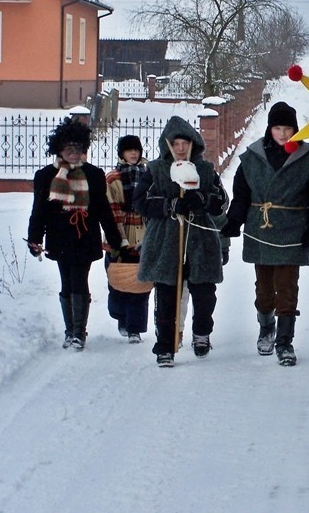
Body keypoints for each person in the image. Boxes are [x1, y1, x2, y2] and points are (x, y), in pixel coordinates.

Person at [220, 101, 309, 366]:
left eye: (288, 127)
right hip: (261, 229)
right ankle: (266, 327)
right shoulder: (253, 157)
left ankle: (285, 342)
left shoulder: (308, 158)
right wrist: (234, 221)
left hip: (293, 229)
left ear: (295, 129)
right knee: (264, 290)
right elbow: (241, 195)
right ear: (270, 128)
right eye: (278, 127)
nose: (283, 133)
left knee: (287, 288)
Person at [133, 116, 228, 367]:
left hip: (200, 239)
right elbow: (139, 201)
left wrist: (204, 200)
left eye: (184, 143)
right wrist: (168, 204)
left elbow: (221, 202)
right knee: (166, 295)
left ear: (192, 143)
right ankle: (165, 346)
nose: (180, 148)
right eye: (175, 144)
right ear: (168, 145)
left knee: (205, 293)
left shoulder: (206, 169)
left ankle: (201, 333)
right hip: (166, 239)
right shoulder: (155, 170)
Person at [26, 120, 122, 350]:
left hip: (85, 234)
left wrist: (114, 238)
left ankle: (79, 332)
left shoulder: (93, 174)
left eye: (77, 148)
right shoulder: (46, 175)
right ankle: (70, 330)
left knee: (79, 278)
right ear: (58, 149)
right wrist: (34, 238)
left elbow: (102, 209)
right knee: (66, 281)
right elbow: (39, 209)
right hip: (59, 236)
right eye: (68, 148)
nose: (73, 153)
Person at [105, 135, 150, 344]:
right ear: (121, 153)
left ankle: (135, 328)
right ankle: (121, 317)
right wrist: (119, 240)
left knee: (141, 283)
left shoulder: (149, 175)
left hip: (143, 234)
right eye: (129, 150)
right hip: (119, 233)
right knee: (118, 280)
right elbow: (111, 211)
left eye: (136, 150)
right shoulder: (113, 178)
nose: (134, 154)